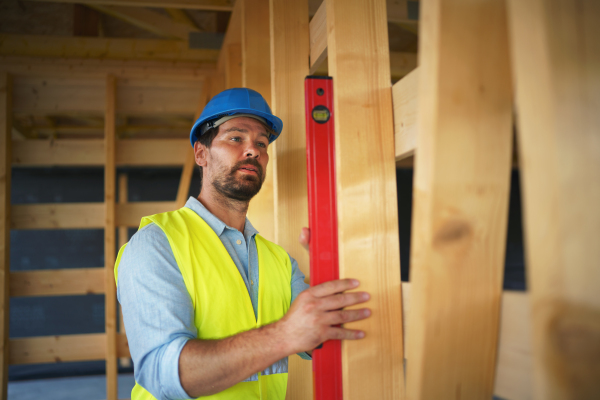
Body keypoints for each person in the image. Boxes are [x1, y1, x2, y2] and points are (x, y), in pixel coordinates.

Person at [115, 88, 371, 400]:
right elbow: (163, 375)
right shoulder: (156, 243)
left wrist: (329, 268)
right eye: (236, 138)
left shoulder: (279, 260)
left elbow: (320, 338)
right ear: (201, 153)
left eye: (261, 143)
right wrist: (284, 335)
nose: (253, 150)